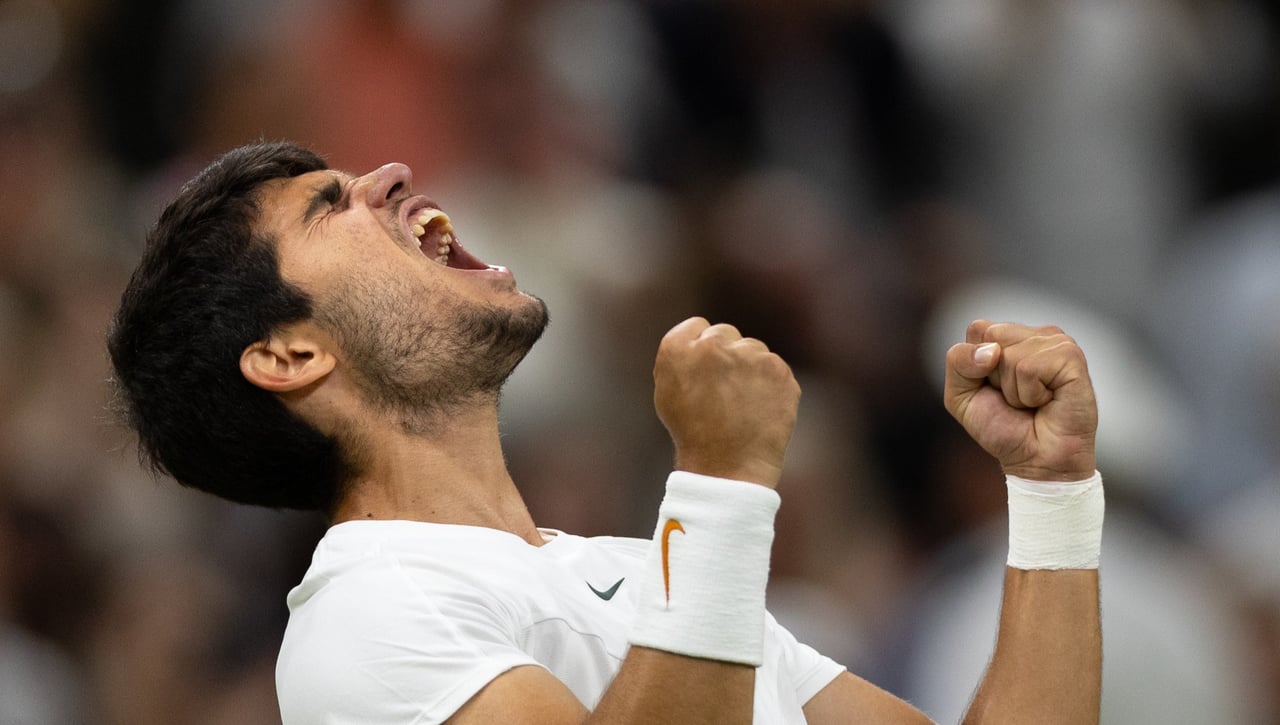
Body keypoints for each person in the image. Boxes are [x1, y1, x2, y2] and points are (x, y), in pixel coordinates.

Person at [108, 141, 1104, 724]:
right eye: (329, 205)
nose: (390, 174)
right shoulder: (361, 616)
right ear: (288, 356)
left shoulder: (650, 577)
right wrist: (718, 480)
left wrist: (1050, 490)